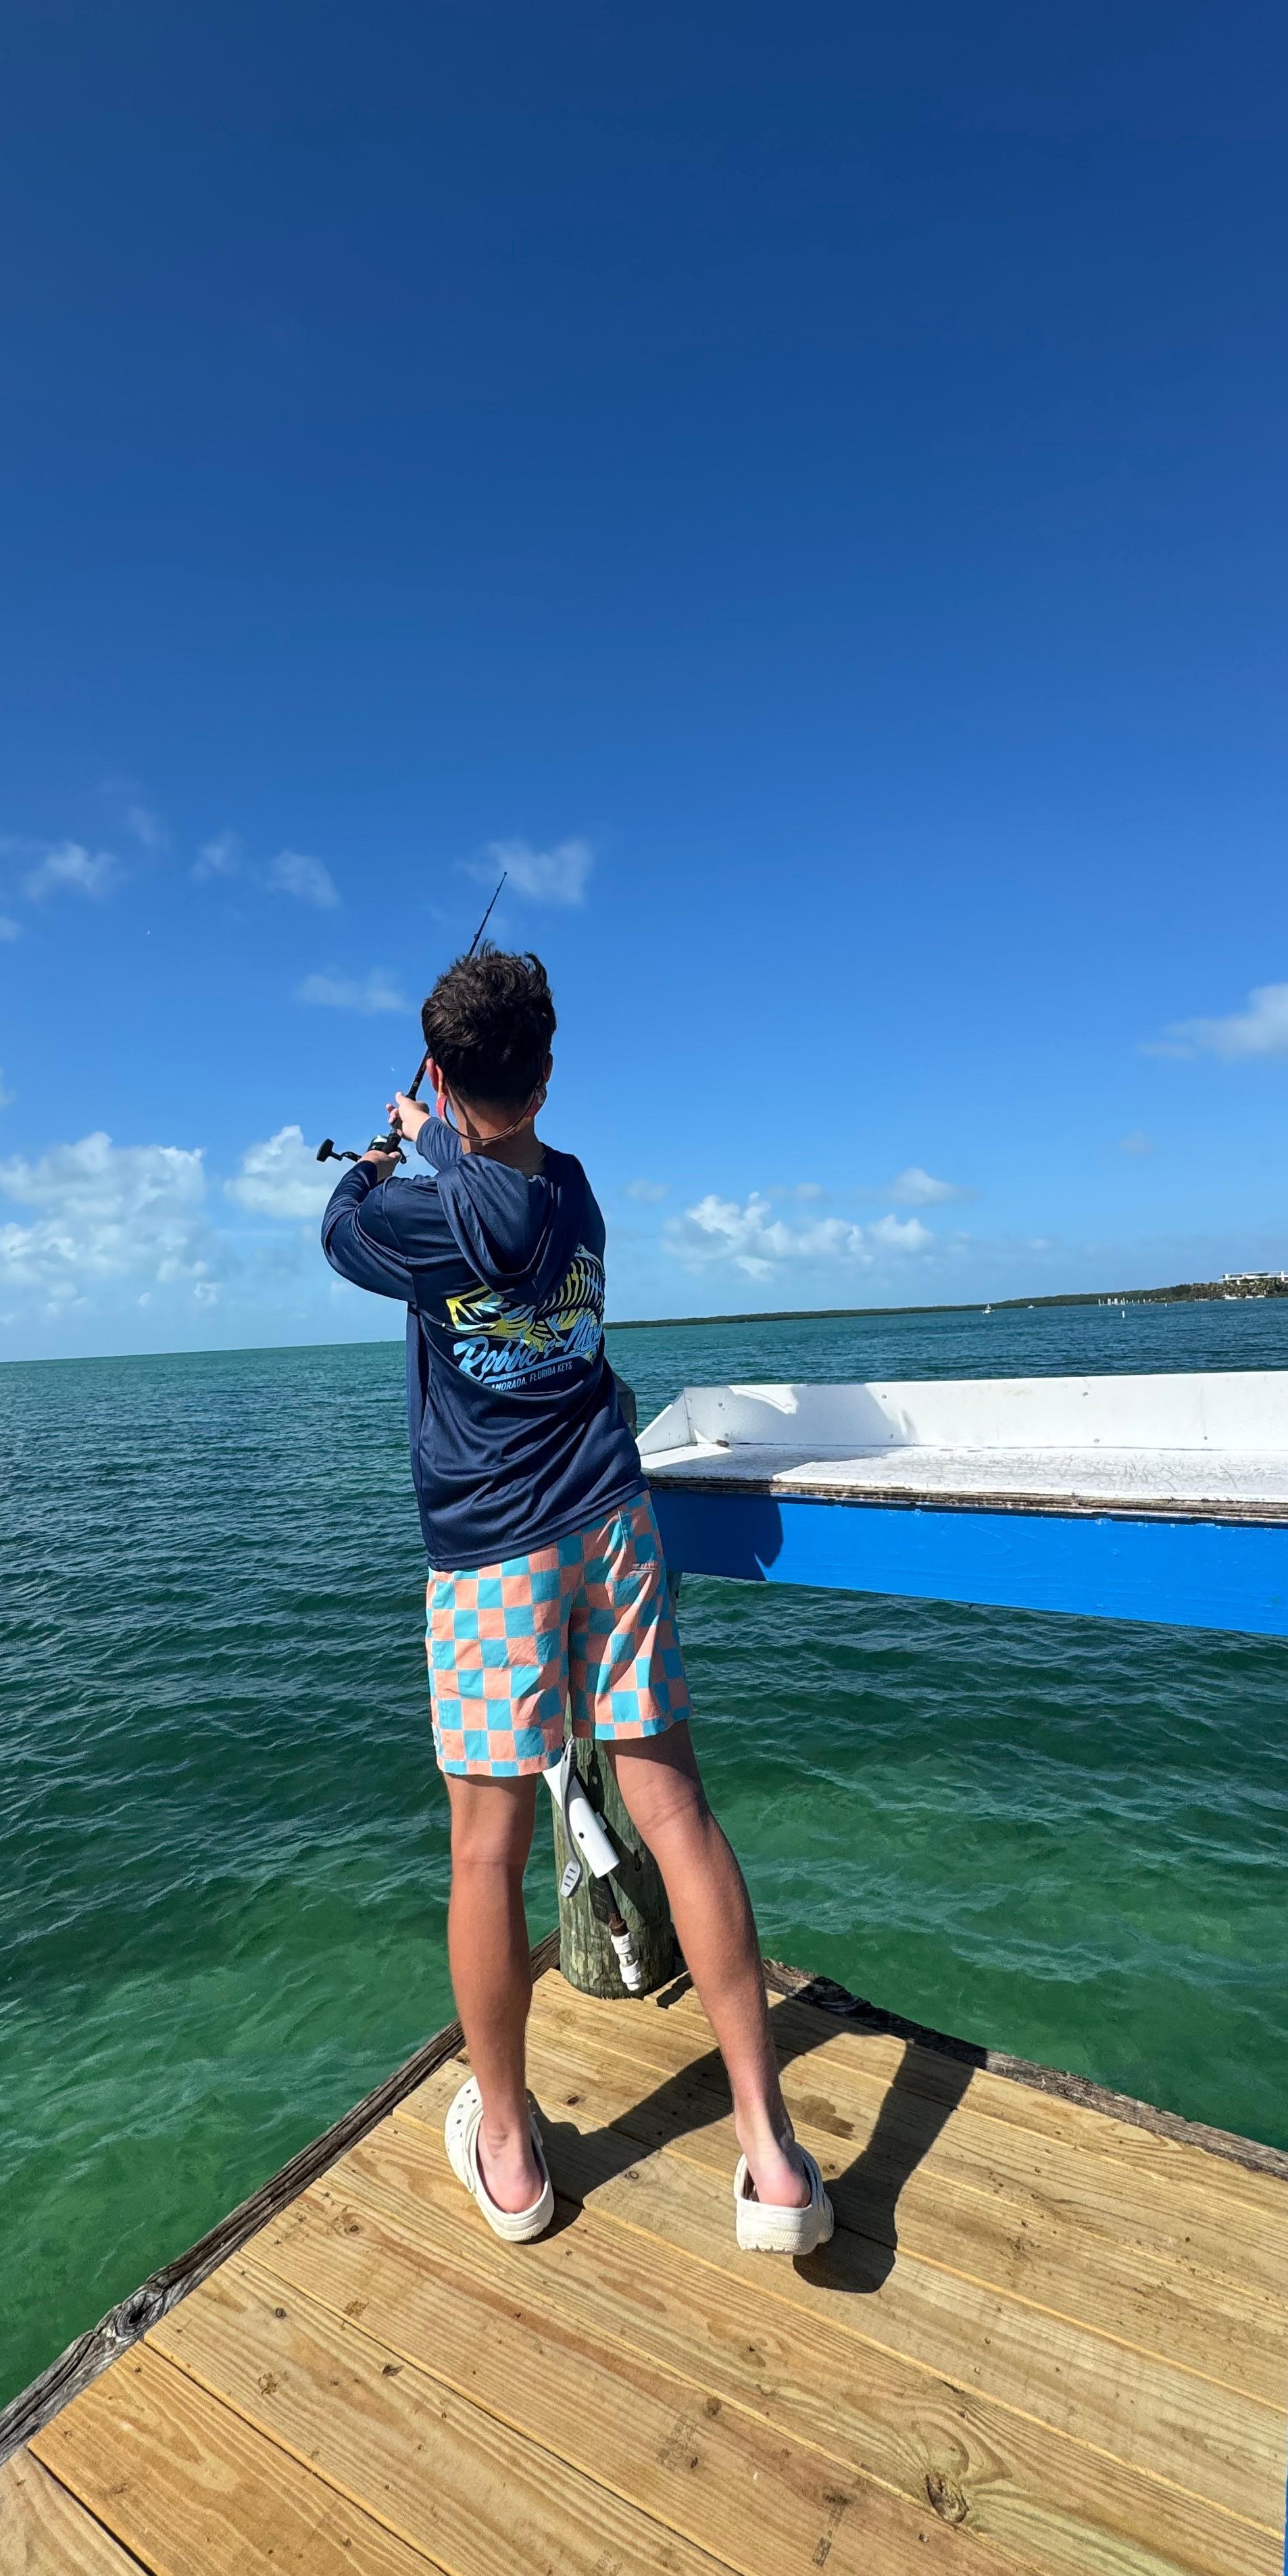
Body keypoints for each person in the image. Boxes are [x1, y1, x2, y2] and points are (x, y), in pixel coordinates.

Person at [320, 946, 832, 2254]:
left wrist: (388, 1149)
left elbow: (339, 1233)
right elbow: (504, 1188)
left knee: (486, 1851)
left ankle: (509, 2149)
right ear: (547, 1074)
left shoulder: (426, 1214)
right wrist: (447, 1135)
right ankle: (770, 2155)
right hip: (613, 1525)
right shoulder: (580, 1191)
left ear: (443, 1080)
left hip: (494, 1555)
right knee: (678, 1811)